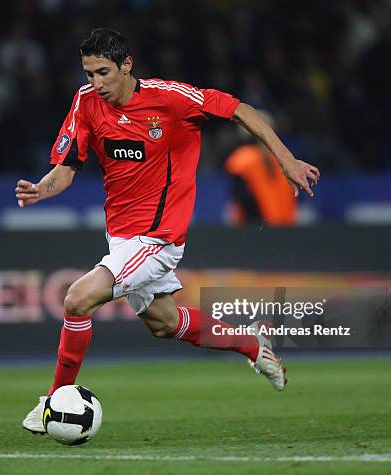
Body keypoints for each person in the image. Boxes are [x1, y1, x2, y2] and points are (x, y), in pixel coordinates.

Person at [16, 28, 320, 435]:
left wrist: (286, 161)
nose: (96, 83)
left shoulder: (172, 98)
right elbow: (66, 168)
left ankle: (53, 400)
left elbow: (241, 110)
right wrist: (41, 189)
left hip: (158, 239)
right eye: (89, 73)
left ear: (127, 65)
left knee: (76, 299)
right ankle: (252, 345)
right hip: (121, 238)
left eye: (104, 72)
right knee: (163, 323)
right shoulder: (86, 103)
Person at [225, 111, 297, 226]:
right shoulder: (285, 161)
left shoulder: (241, 159)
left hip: (256, 230)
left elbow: (242, 200)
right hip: (284, 229)